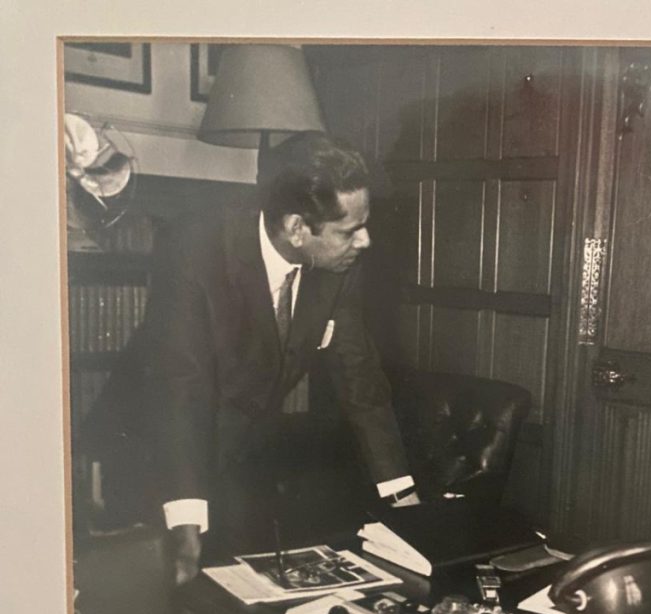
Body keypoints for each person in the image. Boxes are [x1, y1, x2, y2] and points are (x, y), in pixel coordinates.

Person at [83, 132, 418, 584]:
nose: (365, 241)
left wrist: (403, 497)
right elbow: (182, 384)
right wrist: (186, 522)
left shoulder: (337, 264)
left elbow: (359, 376)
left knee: (243, 591)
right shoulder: (195, 247)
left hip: (236, 450)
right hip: (149, 447)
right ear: (297, 228)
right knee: (152, 594)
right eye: (349, 230)